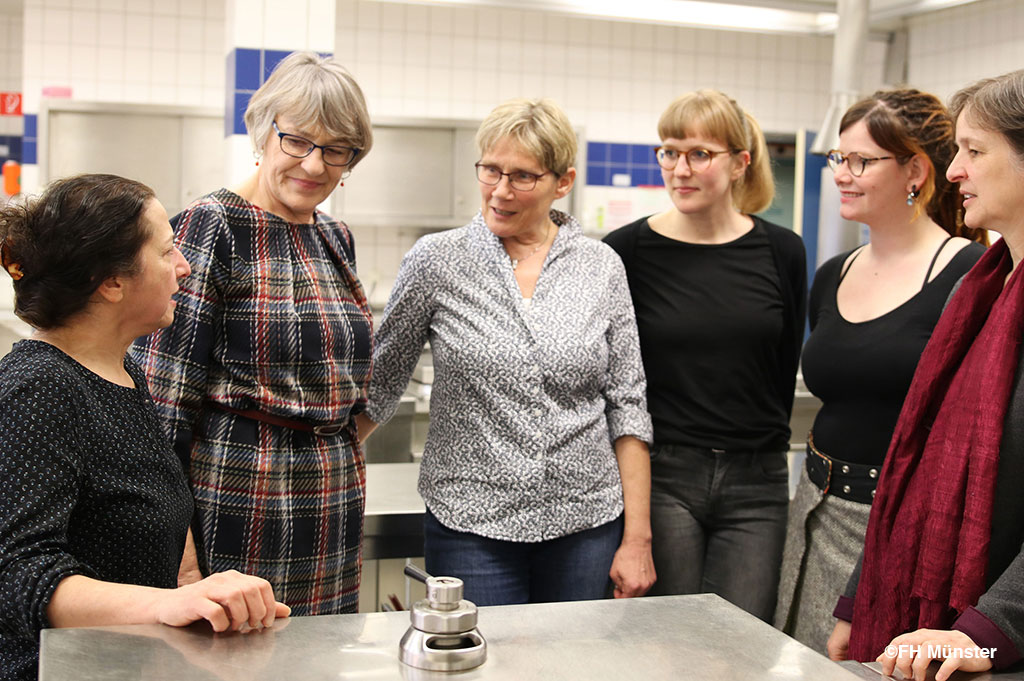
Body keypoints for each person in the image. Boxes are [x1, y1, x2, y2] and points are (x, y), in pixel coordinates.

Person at [358, 98, 655, 606]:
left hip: (585, 523)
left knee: (572, 667)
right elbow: (380, 384)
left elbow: (628, 407)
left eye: (522, 177)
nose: (500, 190)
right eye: (491, 170)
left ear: (563, 181)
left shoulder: (601, 266)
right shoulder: (437, 261)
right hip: (471, 522)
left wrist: (637, 538)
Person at [0, 174, 289, 681]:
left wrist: (190, 587)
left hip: (128, 664)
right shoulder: (40, 386)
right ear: (111, 281)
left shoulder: (121, 369)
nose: (184, 266)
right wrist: (163, 606)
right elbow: (18, 573)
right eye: (166, 251)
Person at [131, 52, 374, 615]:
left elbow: (350, 380)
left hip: (332, 506)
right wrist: (181, 556)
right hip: (242, 500)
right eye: (297, 141)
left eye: (336, 150)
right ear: (264, 131)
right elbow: (162, 404)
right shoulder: (212, 225)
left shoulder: (336, 236)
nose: (314, 165)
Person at [827, 69, 1024, 681]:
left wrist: (987, 633)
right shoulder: (982, 290)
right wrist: (860, 599)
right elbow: (915, 461)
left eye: (974, 150)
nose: (955, 170)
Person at [774, 89, 987, 652]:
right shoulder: (833, 273)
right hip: (813, 505)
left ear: (915, 169)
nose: (841, 174)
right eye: (837, 159)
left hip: (892, 522)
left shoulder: (966, 275)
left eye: (861, 161)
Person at [603, 90, 806, 622]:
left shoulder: (782, 250)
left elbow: (782, 368)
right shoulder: (627, 251)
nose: (679, 169)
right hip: (665, 475)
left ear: (740, 162)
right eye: (669, 151)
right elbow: (616, 379)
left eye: (699, 153)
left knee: (743, 645)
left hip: (757, 481)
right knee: (666, 643)